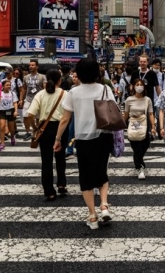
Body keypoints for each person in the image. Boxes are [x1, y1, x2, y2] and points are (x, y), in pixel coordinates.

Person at [55, 59, 114, 230]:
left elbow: (65, 118)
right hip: (104, 135)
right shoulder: (105, 89)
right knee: (102, 170)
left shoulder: (74, 92)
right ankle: (104, 205)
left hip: (83, 139)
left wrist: (58, 139)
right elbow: (113, 110)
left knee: (86, 176)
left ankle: (92, 216)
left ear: (79, 73)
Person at [27, 69, 68, 202]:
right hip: (61, 127)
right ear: (59, 80)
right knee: (60, 157)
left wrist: (35, 128)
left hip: (44, 128)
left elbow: (30, 114)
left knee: (46, 160)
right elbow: (69, 115)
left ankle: (49, 191)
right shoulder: (64, 93)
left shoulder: (40, 94)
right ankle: (61, 184)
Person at [123, 78, 157, 180]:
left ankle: (139, 161)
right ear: (133, 86)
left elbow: (151, 113)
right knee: (136, 148)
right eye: (137, 84)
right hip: (133, 124)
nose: (139, 87)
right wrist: (121, 125)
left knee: (145, 145)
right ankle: (139, 167)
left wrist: (153, 126)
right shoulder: (129, 100)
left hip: (144, 124)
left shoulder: (147, 100)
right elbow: (126, 114)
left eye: (141, 85)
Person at [19, 60, 46, 140]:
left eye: (33, 65)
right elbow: (24, 88)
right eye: (30, 65)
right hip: (28, 99)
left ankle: (37, 132)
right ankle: (28, 132)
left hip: (38, 99)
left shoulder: (42, 77)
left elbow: (44, 88)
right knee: (25, 116)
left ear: (37, 66)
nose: (31, 66)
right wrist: (21, 99)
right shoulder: (26, 77)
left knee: (38, 117)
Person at [0, 80, 18, 151]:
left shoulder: (12, 93)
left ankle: (12, 136)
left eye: (9, 85)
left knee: (11, 129)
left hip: (10, 111)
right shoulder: (0, 93)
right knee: (2, 127)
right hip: (2, 111)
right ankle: (2, 143)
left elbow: (15, 103)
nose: (9, 86)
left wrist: (16, 111)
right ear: (3, 86)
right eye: (7, 85)